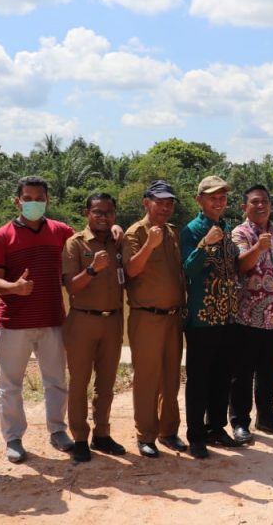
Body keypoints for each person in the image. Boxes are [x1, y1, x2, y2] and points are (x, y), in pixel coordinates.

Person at [0, 175, 76, 463]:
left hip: (52, 318)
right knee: (10, 384)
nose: (34, 203)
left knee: (56, 380)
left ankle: (58, 431)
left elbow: (86, 244)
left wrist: (113, 228)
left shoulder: (61, 232)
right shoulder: (2, 236)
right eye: (28, 198)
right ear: (18, 201)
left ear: (47, 200)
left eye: (39, 198)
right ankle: (13, 438)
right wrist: (14, 288)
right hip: (14, 322)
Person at [61, 193, 127, 463]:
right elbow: (71, 286)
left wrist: (118, 232)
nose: (103, 217)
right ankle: (79, 438)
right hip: (82, 320)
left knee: (107, 382)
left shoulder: (118, 242)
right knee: (79, 383)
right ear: (86, 212)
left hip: (112, 320)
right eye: (98, 212)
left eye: (109, 213)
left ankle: (102, 433)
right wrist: (92, 269)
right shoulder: (74, 244)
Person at [123, 179, 187, 458]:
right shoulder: (135, 233)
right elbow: (131, 271)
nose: (165, 207)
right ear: (146, 202)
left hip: (173, 317)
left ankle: (168, 431)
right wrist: (149, 244)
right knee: (147, 380)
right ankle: (145, 435)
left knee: (171, 379)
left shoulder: (173, 232)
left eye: (169, 202)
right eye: (159, 201)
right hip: (146, 317)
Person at [181, 176, 242, 458]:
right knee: (199, 378)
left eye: (222, 197)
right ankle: (196, 435)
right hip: (203, 317)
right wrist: (205, 243)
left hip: (227, 316)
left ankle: (216, 428)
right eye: (212, 197)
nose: (218, 201)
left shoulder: (227, 227)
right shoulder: (192, 230)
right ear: (199, 200)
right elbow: (188, 271)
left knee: (222, 377)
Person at [231, 184, 273, 443]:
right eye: (255, 202)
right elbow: (240, 266)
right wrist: (258, 247)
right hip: (248, 317)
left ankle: (266, 418)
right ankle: (239, 422)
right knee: (243, 373)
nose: (261, 206)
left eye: (265, 201)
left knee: (269, 372)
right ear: (244, 207)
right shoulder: (240, 233)